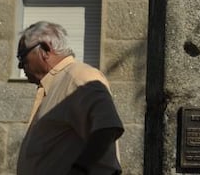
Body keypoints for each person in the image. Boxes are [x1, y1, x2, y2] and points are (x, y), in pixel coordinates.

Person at [16, 21, 124, 175]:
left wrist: (79, 169)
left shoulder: (79, 77)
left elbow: (108, 127)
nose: (20, 66)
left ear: (46, 49)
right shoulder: (57, 82)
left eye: (22, 56)